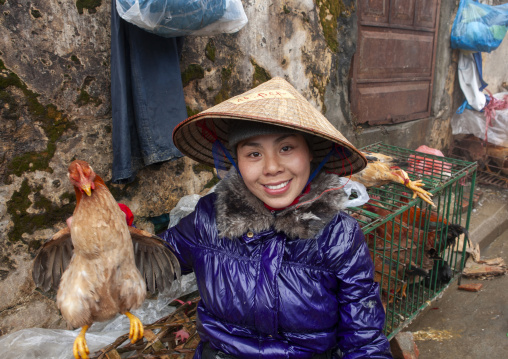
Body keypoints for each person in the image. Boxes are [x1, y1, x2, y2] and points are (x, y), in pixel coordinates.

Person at [160, 77, 393, 358]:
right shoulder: (209, 218)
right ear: (236, 161)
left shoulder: (339, 236)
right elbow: (149, 264)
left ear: (310, 154)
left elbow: (364, 339)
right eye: (254, 153)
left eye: (286, 148)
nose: (271, 167)